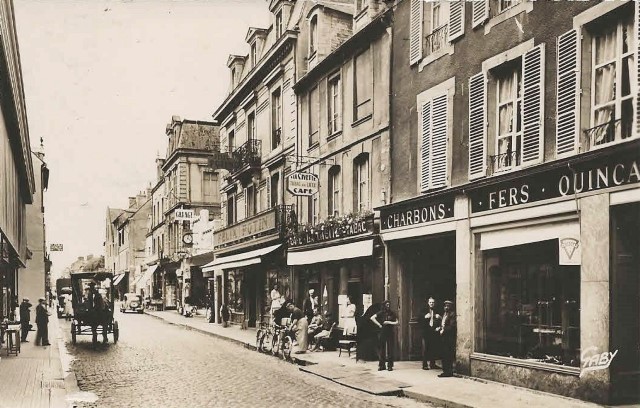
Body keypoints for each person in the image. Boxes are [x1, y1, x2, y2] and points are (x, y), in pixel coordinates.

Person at [371, 300, 398, 371]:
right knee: (382, 349)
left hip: (390, 332)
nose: (388, 306)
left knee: (390, 349)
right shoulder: (381, 312)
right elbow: (372, 318)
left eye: (389, 305)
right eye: (387, 305)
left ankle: (390, 366)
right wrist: (379, 325)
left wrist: (388, 322)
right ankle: (382, 365)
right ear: (384, 305)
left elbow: (397, 322)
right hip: (383, 332)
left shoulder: (392, 313)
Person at [420, 297, 441, 370]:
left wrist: (439, 319)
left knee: (433, 348)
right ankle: (424, 365)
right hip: (426, 332)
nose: (431, 304)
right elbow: (419, 319)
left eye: (433, 302)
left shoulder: (436, 310)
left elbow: (440, 320)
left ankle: (432, 364)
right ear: (428, 303)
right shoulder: (424, 310)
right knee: (425, 348)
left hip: (433, 331)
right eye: (430, 302)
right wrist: (424, 317)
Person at [439, 300, 457, 378]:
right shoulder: (444, 314)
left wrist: (444, 330)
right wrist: (439, 328)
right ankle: (445, 371)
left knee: (447, 354)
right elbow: (443, 324)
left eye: (448, 306)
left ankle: (448, 371)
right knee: (443, 354)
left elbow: (452, 326)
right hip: (443, 337)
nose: (446, 307)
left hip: (449, 338)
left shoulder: (452, 314)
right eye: (445, 306)